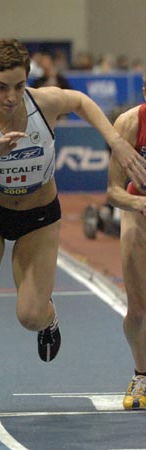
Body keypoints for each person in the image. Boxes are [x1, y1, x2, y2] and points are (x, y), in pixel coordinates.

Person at [0, 38, 146, 414]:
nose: (10, 97)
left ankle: (49, 319)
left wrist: (116, 142)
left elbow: (82, 102)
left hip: (39, 216)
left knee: (30, 315)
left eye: (19, 86)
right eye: (1, 87)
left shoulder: (44, 103)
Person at [105, 70, 146, 410]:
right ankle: (142, 373)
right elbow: (113, 191)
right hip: (138, 211)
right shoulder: (129, 124)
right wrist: (140, 203)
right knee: (138, 309)